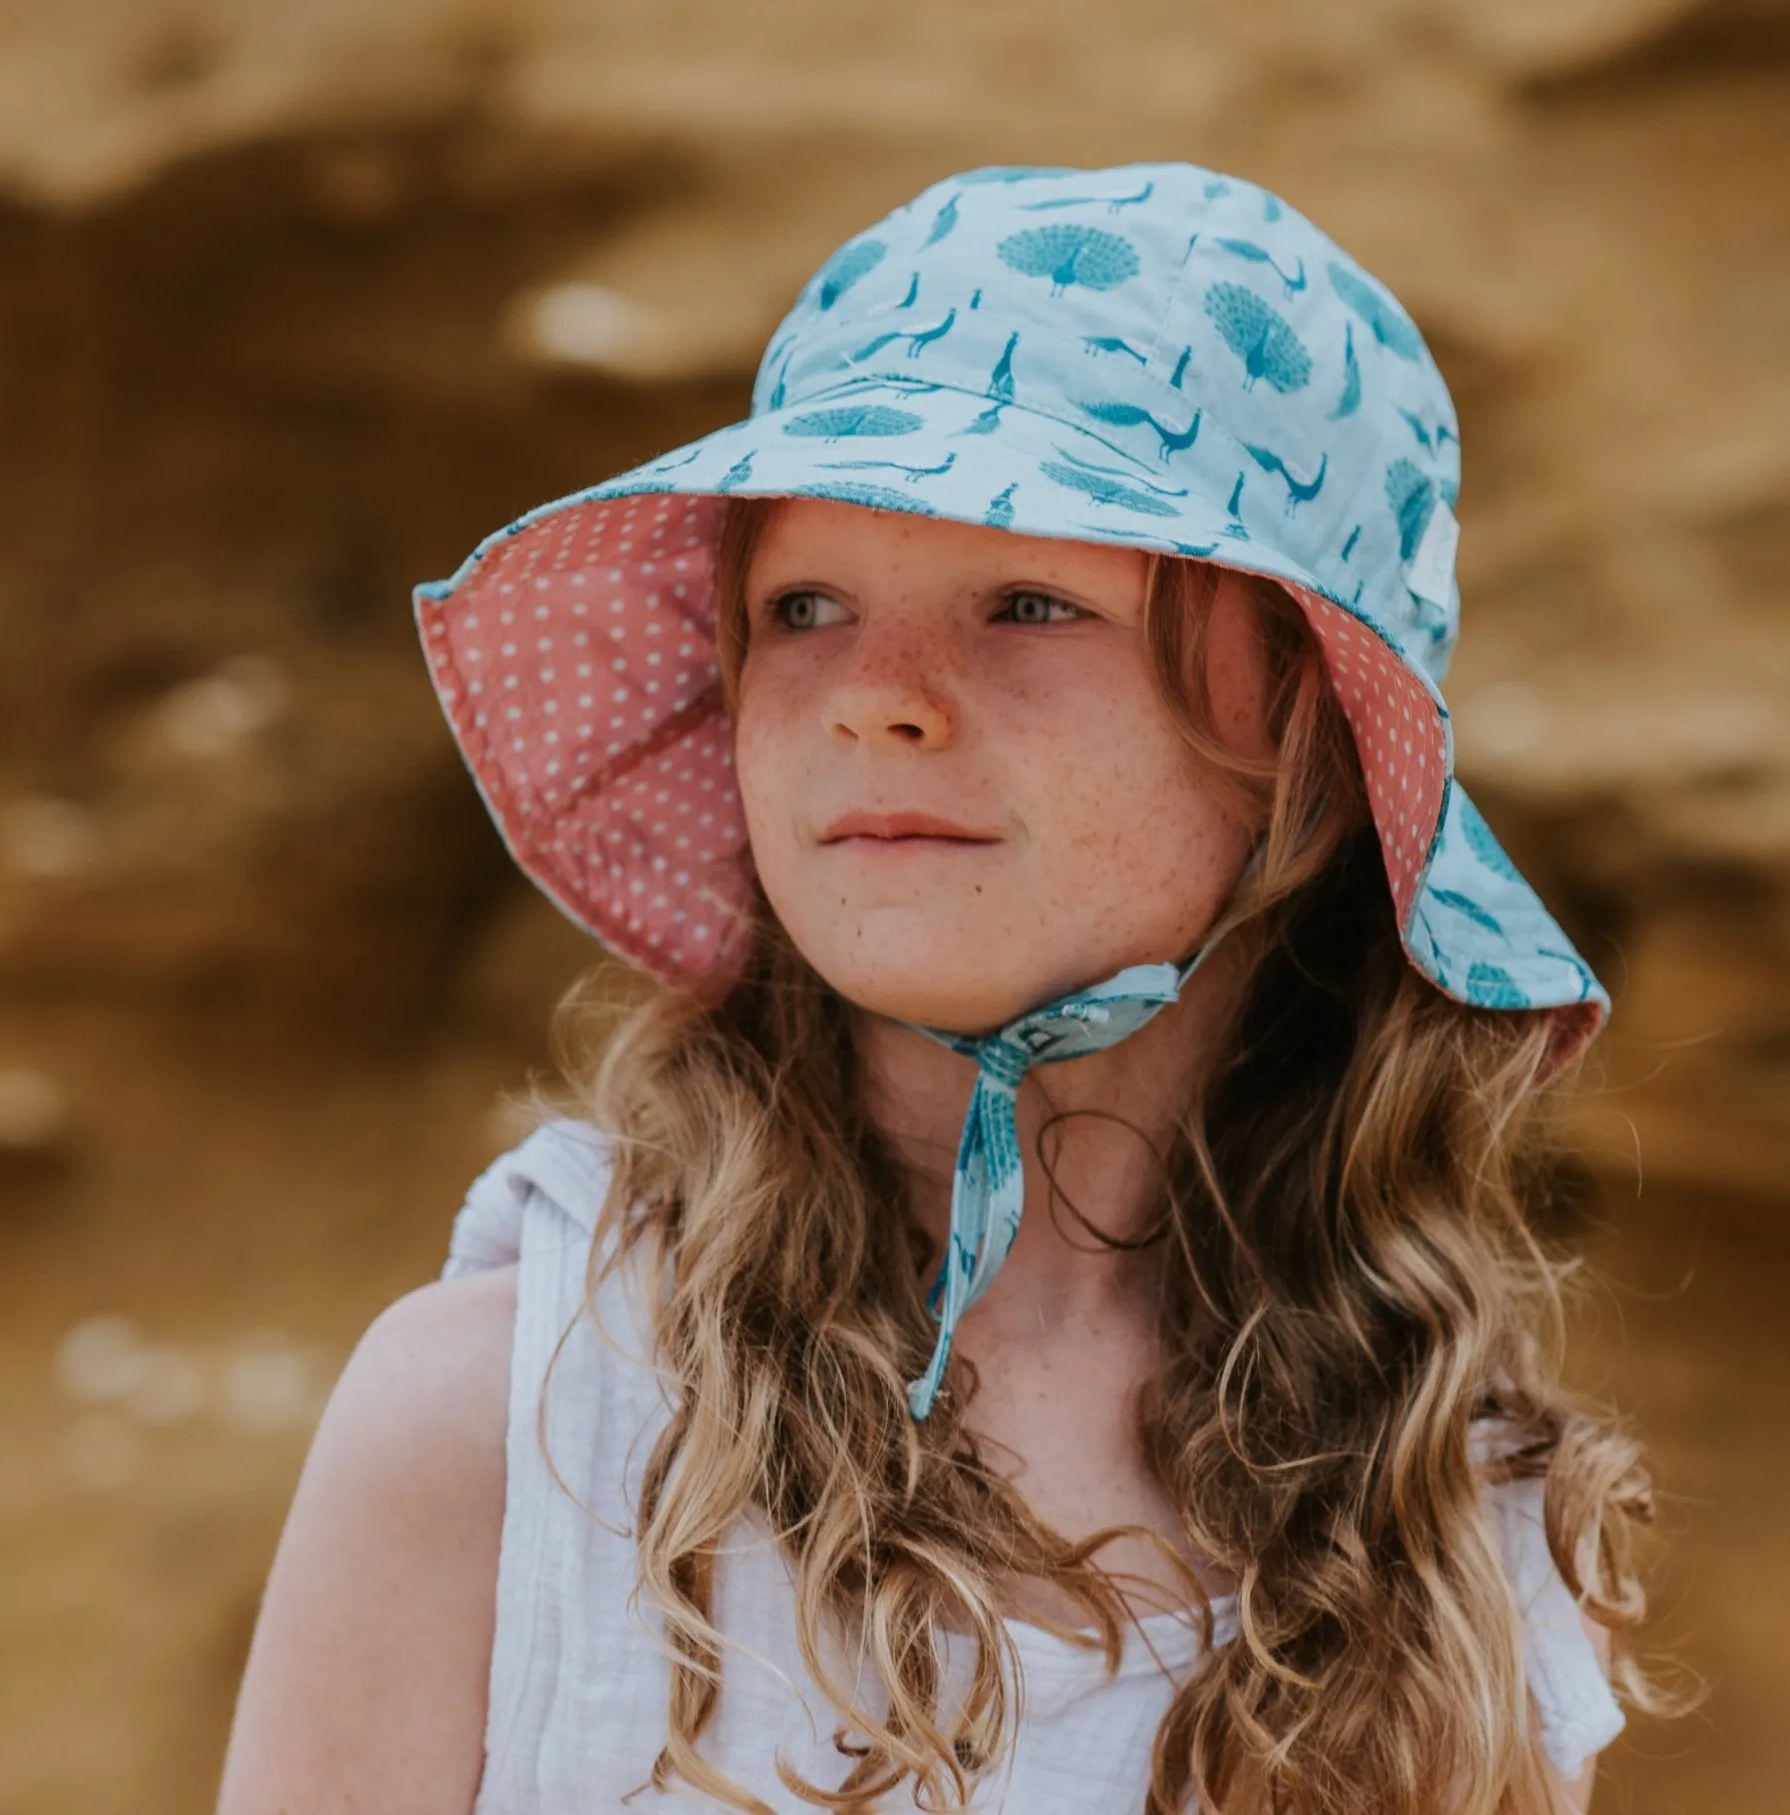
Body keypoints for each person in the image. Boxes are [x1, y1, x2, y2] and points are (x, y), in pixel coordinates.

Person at [217, 162, 1660, 1814]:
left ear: (1312, 748)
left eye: (1032, 602)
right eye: (803, 607)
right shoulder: (513, 1417)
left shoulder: (1461, 1518)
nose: (876, 699)